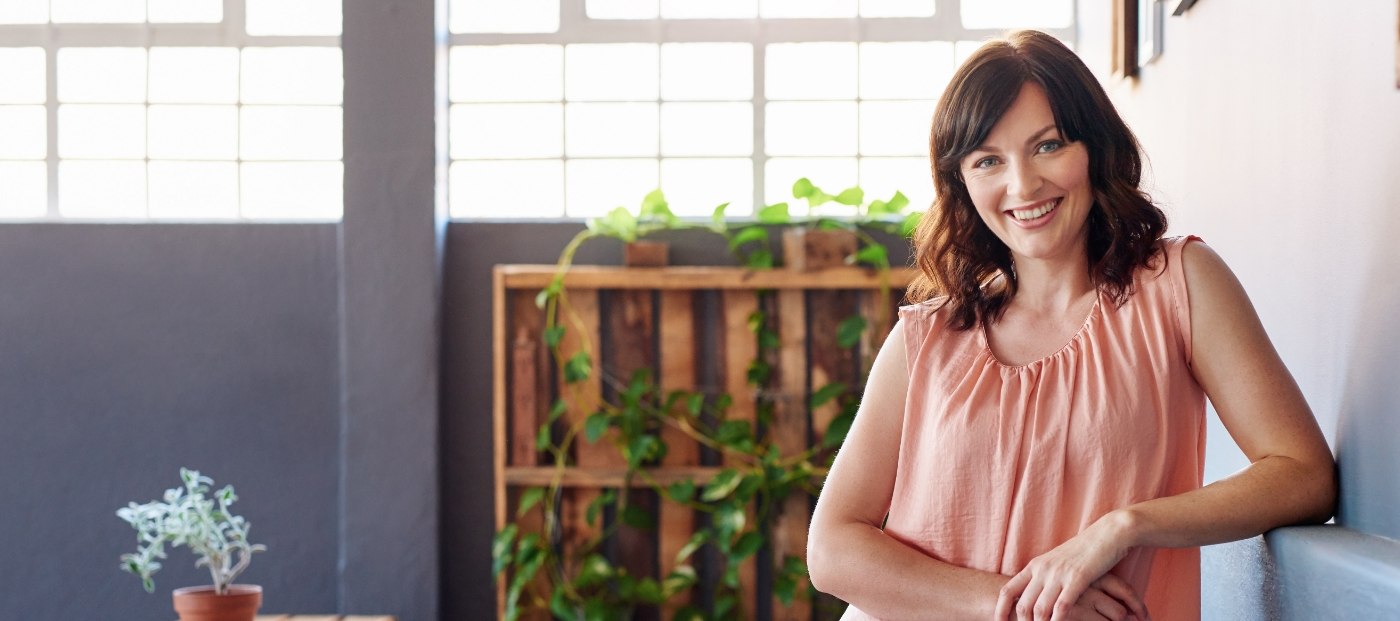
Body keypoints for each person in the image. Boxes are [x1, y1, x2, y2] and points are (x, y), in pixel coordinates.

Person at [806, 30, 1335, 621]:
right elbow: (832, 550)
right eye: (988, 161)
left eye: (1048, 145)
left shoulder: (1180, 285)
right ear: (962, 183)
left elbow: (1303, 474)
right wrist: (1014, 607)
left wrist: (1125, 527)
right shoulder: (925, 338)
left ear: (1094, 148)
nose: (1023, 185)